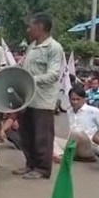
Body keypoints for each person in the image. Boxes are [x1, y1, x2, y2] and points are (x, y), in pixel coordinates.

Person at [15, 13, 64, 180]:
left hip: (43, 99)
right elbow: (22, 65)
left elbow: (53, 75)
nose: (28, 30)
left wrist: (30, 80)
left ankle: (42, 168)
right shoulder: (32, 46)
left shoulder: (54, 48)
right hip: (27, 97)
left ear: (40, 27)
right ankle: (30, 164)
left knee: (42, 136)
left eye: (31, 26)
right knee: (26, 134)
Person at [53, 86, 99, 162]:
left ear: (84, 99)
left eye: (78, 99)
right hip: (72, 145)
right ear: (69, 99)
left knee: (77, 132)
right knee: (50, 136)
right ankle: (61, 155)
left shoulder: (93, 111)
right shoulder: (69, 111)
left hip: (88, 147)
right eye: (73, 99)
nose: (75, 102)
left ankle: (65, 156)